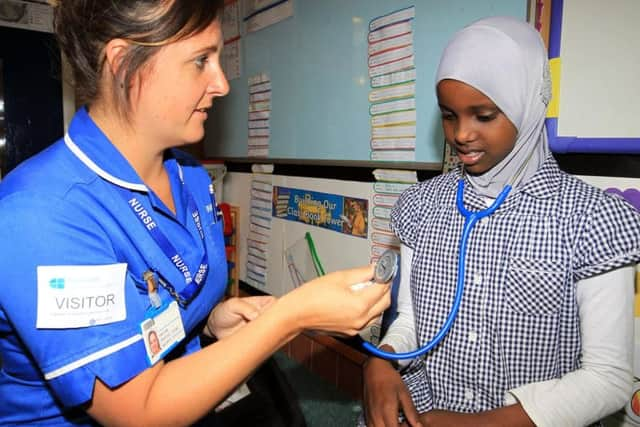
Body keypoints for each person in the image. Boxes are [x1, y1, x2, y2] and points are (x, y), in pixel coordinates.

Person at [0, 1, 391, 425]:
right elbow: (139, 413)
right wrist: (288, 317)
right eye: (200, 60)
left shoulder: (190, 177)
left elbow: (160, 309)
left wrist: (207, 325)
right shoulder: (39, 215)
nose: (222, 83)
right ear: (122, 62)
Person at [362, 16, 640, 427]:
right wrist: (383, 362)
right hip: (419, 414)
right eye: (449, 115)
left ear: (527, 103)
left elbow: (609, 378)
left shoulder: (592, 218)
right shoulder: (421, 205)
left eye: (484, 115)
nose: (462, 134)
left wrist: (476, 425)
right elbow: (414, 320)